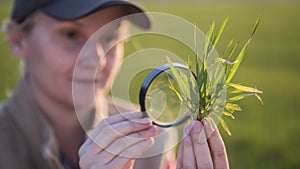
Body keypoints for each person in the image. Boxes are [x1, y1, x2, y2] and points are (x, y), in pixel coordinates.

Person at [0, 0, 229, 168]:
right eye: (70, 34)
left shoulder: (152, 141)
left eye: (110, 38)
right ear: (17, 39)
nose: (96, 59)